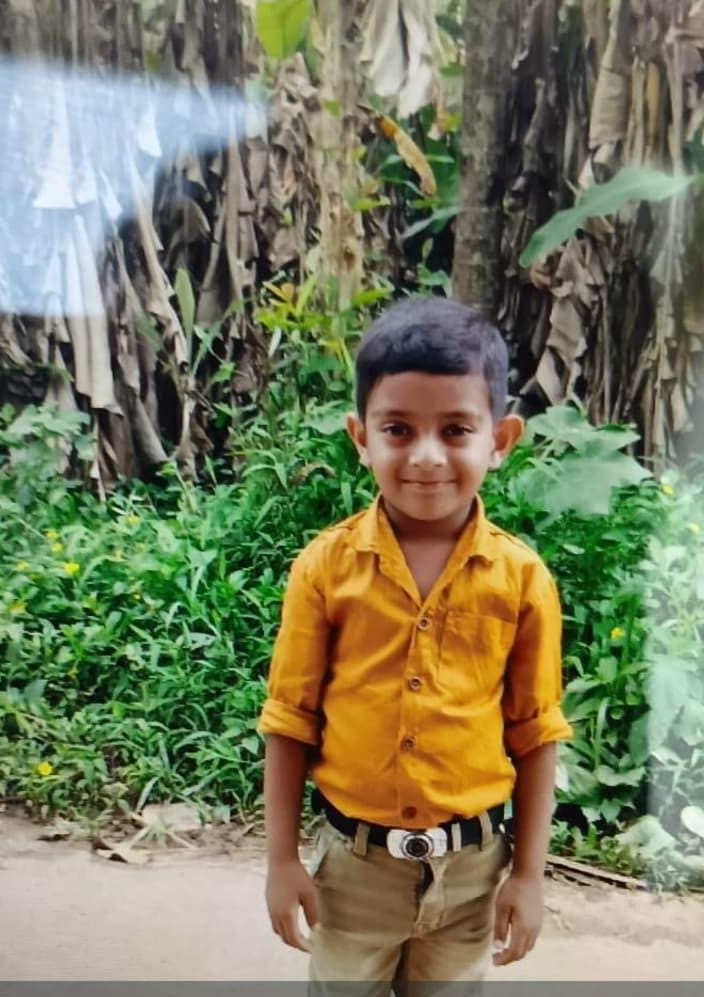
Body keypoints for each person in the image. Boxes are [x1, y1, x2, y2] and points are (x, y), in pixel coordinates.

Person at [258, 297, 573, 990]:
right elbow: (289, 719)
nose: (427, 455)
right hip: (355, 874)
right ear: (361, 436)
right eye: (398, 429)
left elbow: (535, 732)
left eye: (456, 429)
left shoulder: (523, 580)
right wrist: (280, 861)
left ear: (500, 439)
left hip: (473, 875)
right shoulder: (325, 569)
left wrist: (528, 875)